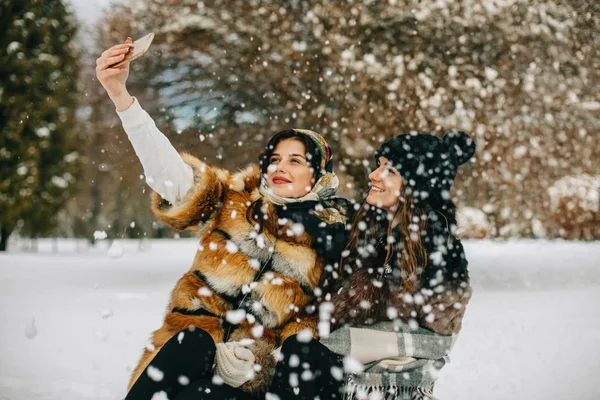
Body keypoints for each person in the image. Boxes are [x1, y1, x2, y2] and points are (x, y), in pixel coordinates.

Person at [95, 39, 349, 399]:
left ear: (319, 173)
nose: (280, 167)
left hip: (257, 381)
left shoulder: (333, 236)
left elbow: (320, 327)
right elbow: (168, 174)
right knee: (194, 340)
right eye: (275, 158)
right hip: (188, 365)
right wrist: (122, 98)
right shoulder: (232, 200)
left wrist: (262, 357)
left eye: (296, 160)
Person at [267, 131, 476, 400]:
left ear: (415, 184)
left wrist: (337, 338)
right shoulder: (371, 230)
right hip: (346, 364)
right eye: (378, 165)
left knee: (301, 350)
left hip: (384, 377)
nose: (373, 175)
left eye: (388, 170)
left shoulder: (434, 245)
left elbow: (436, 334)